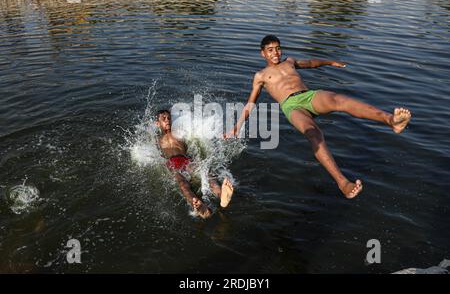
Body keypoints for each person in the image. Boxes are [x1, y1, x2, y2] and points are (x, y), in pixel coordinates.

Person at [225, 35, 411, 199]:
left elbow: (311, 63)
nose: (276, 53)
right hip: (291, 106)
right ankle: (342, 183)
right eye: (270, 50)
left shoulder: (290, 61)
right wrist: (237, 126)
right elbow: (251, 102)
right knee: (313, 133)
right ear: (263, 54)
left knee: (339, 100)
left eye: (278, 48)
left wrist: (330, 62)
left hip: (309, 96)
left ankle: (391, 120)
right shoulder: (260, 76)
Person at [155, 109, 234, 218]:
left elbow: (190, 143)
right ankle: (199, 206)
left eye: (169, 118)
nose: (167, 120)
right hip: (172, 164)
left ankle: (222, 196)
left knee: (207, 175)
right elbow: (159, 155)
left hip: (186, 159)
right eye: (163, 119)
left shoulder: (178, 132)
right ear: (157, 123)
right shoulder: (157, 139)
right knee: (183, 185)